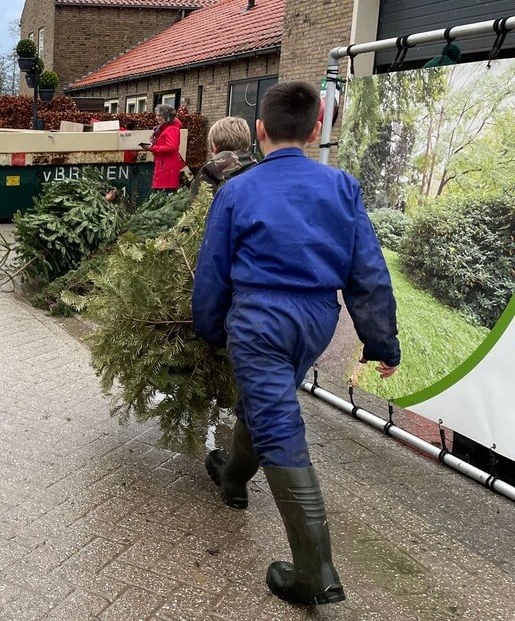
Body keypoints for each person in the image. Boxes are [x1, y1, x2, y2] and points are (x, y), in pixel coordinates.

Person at [193, 81, 400, 607]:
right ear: (313, 131)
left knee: (278, 420)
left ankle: (314, 571)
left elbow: (212, 271)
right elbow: (368, 271)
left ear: (259, 131)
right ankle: (233, 477)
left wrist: (211, 329)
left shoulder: (237, 189)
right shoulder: (343, 187)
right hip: (316, 320)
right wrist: (381, 342)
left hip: (258, 318)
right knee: (266, 403)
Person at [189, 116, 257, 201]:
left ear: (213, 146)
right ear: (247, 147)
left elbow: (198, 211)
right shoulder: (261, 172)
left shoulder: (207, 175)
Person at [145, 104, 183, 193]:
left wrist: (152, 148)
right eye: (156, 115)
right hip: (164, 169)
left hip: (166, 170)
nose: (156, 118)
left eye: (159, 115)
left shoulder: (172, 129)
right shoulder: (166, 129)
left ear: (166, 116)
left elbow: (171, 148)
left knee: (163, 198)